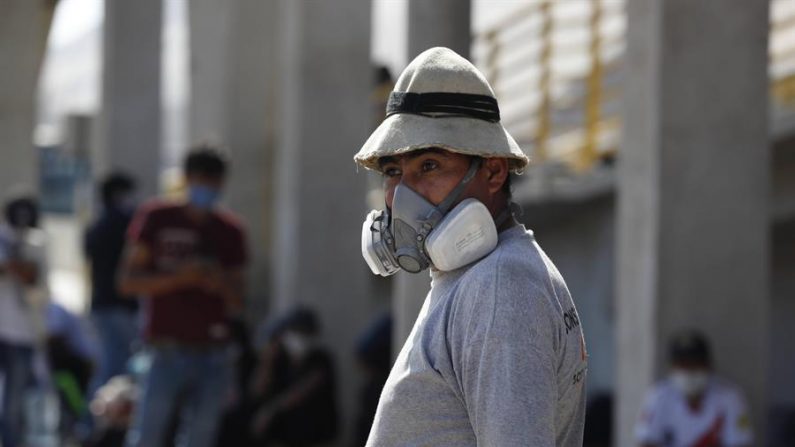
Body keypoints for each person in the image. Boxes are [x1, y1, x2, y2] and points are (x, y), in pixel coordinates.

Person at [355, 47, 588, 446]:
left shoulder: (500, 285)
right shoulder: (477, 277)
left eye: (429, 166)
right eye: (393, 171)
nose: (403, 194)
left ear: (494, 170)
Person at [120, 147, 248, 447]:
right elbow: (127, 282)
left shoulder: (230, 230)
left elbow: (239, 301)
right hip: (165, 350)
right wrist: (180, 278)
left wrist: (217, 282)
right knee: (147, 436)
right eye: (203, 179)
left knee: (200, 438)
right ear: (187, 178)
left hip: (213, 353)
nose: (209, 187)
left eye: (215, 181)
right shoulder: (156, 217)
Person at [635, 330, 753, 447]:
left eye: (695, 364)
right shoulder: (659, 396)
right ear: (672, 367)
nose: (689, 372)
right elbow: (647, 441)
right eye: (683, 365)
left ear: (708, 365)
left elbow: (740, 442)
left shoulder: (730, 398)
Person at [247, 308, 338, 447]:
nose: (298, 338)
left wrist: (270, 411)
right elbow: (257, 391)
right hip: (282, 437)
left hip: (315, 435)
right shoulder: (279, 360)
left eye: (304, 332)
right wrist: (267, 361)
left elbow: (301, 391)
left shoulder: (320, 359)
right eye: (295, 332)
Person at [0, 195, 49, 447]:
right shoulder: (1, 238)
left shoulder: (37, 242)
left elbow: (36, 282)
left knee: (15, 403)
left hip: (23, 333)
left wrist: (18, 265)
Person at [85, 172, 139, 391]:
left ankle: (95, 420)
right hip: (119, 306)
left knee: (110, 364)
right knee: (116, 368)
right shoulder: (125, 224)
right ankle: (96, 421)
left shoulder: (95, 226)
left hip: (100, 305)